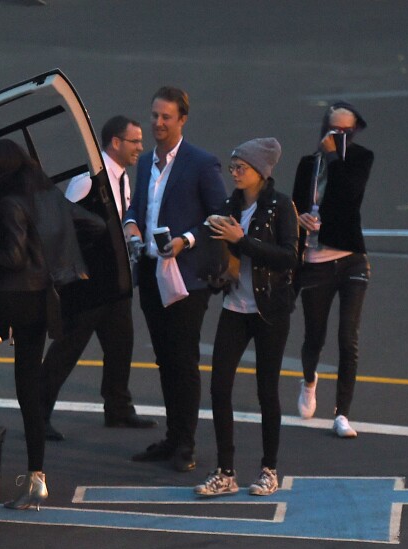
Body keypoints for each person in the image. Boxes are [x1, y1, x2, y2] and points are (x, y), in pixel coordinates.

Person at [0, 139, 106, 509]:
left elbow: (10, 256)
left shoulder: (6, 202)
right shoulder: (48, 196)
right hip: (43, 301)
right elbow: (94, 225)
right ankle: (36, 478)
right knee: (28, 389)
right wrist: (58, 256)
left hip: (11, 301)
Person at [124, 86, 227, 472]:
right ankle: (172, 436)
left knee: (183, 360)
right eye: (154, 116)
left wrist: (186, 239)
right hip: (151, 272)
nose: (158, 123)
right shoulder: (147, 160)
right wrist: (131, 226)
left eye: (166, 117)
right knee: (165, 359)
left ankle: (186, 443)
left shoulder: (201, 163)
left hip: (185, 278)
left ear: (182, 119)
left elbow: (219, 214)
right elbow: (136, 206)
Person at [193, 138, 298, 497]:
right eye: (233, 167)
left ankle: (269, 468)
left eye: (242, 168)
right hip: (235, 307)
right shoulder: (229, 206)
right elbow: (217, 251)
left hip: (270, 309)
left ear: (261, 173)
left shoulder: (280, 207)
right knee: (219, 387)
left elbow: (288, 257)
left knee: (267, 390)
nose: (235, 173)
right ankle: (226, 471)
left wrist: (242, 240)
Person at [42, 115, 157, 440]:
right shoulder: (89, 178)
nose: (140, 147)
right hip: (89, 288)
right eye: (134, 141)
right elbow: (63, 223)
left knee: (121, 346)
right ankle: (38, 414)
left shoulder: (121, 178)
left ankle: (118, 409)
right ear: (115, 142)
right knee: (66, 351)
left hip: (115, 285)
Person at [292, 102, 374, 438]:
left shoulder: (359, 159)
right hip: (316, 260)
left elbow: (348, 197)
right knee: (315, 334)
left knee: (347, 337)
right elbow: (295, 203)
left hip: (352, 256)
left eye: (346, 132)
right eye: (333, 129)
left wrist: (333, 157)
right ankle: (309, 380)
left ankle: (342, 413)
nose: (338, 136)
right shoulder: (307, 164)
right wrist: (299, 218)